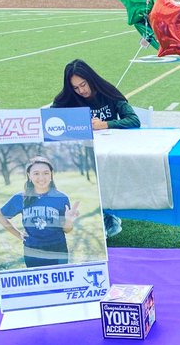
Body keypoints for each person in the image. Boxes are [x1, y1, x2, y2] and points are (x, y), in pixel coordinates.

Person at [52, 59, 140, 238]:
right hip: (82, 153)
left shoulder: (108, 92)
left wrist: (106, 124)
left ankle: (108, 214)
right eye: (75, 88)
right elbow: (52, 122)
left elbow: (133, 120)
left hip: (110, 152)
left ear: (91, 79)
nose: (81, 90)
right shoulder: (66, 99)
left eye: (83, 84)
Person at [0, 159, 79, 268]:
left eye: (46, 173)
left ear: (51, 175)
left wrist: (69, 221)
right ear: (29, 175)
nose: (41, 177)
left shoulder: (60, 198)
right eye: (36, 173)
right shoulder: (20, 198)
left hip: (58, 250)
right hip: (32, 251)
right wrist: (19, 234)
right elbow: (0, 216)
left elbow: (67, 230)